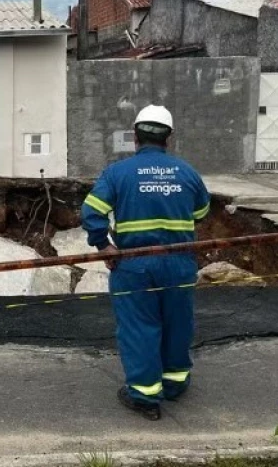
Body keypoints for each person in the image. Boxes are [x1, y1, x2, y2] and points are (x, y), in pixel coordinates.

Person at [80, 105, 211, 421]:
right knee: (177, 323)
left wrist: (103, 245)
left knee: (140, 327)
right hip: (179, 262)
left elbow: (92, 212)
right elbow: (201, 213)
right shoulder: (187, 172)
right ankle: (175, 383)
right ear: (170, 137)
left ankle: (144, 395)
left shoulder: (117, 173)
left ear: (134, 135)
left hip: (134, 265)